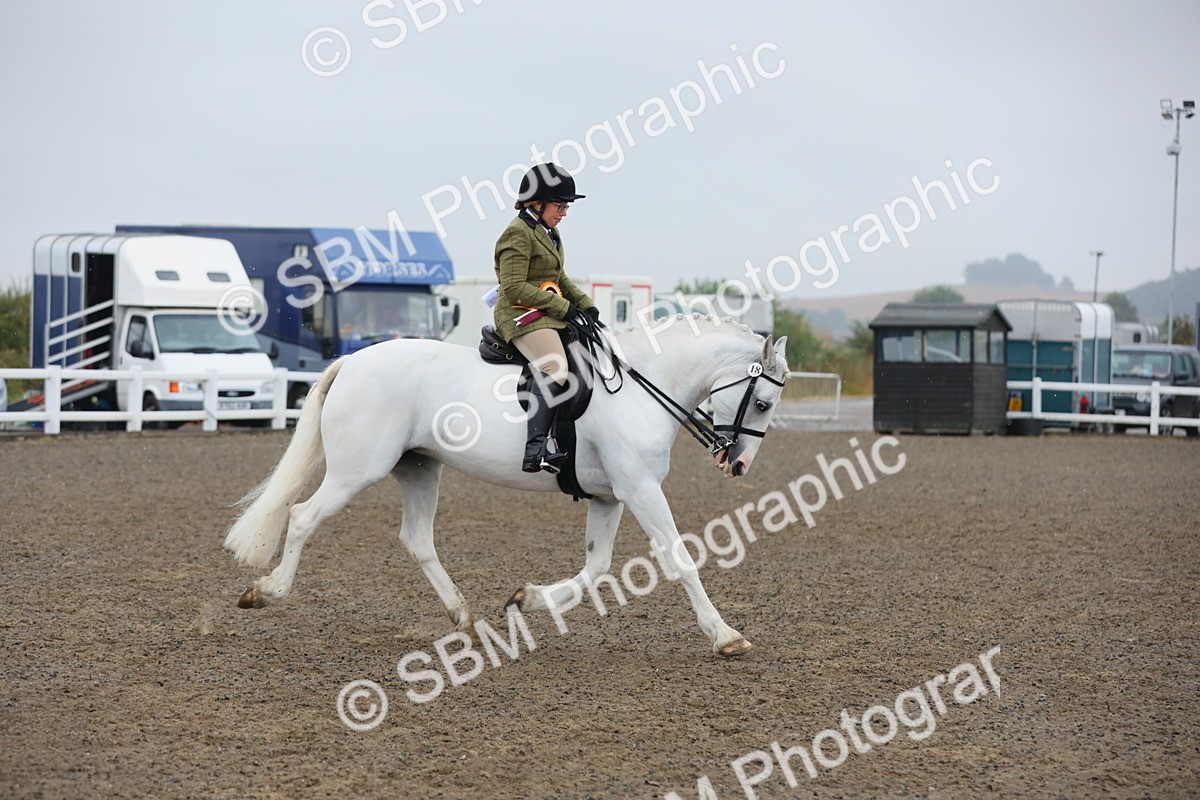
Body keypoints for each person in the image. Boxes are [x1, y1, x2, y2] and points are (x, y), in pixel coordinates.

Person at [494, 163, 599, 473]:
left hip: (543, 312)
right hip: (518, 314)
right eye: (560, 205)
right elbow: (513, 288)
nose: (564, 212)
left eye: (566, 206)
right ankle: (536, 447)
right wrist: (561, 307)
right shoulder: (517, 233)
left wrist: (585, 305)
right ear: (536, 204)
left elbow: (558, 276)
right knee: (554, 365)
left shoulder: (548, 231)